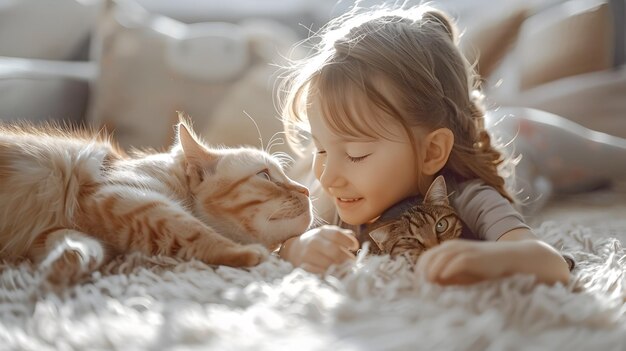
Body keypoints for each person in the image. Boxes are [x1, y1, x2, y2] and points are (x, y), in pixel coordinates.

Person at [275, 5, 625, 286]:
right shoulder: (334, 196)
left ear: (431, 152)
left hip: (524, 138)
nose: (329, 175)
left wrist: (494, 258)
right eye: (320, 148)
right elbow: (285, 242)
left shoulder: (469, 195)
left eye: (355, 154)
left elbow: (549, 262)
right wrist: (298, 247)